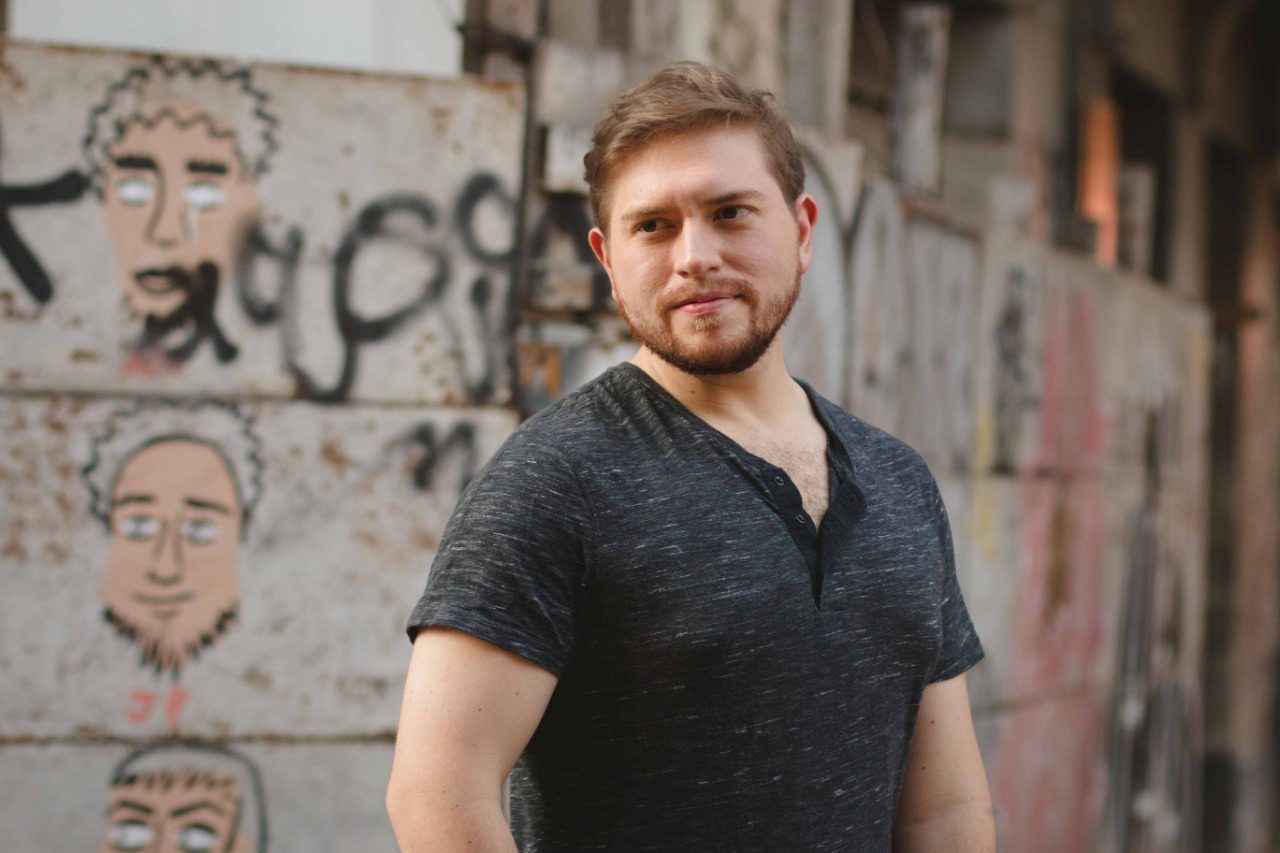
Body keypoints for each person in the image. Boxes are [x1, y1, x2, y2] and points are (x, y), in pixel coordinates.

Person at [388, 62, 994, 851]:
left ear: (803, 230)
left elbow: (946, 808)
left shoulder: (898, 481)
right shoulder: (556, 481)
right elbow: (436, 796)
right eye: (653, 225)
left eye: (730, 212)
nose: (694, 256)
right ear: (608, 259)